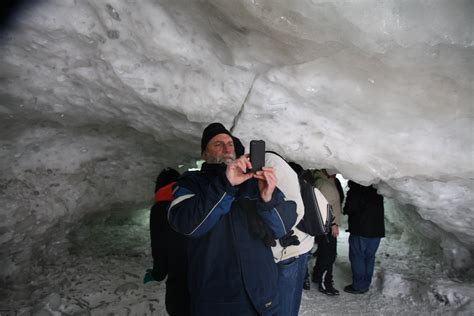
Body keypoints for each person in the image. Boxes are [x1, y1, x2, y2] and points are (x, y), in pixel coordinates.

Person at [168, 123, 298, 316]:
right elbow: (188, 224)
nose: (228, 148)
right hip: (219, 303)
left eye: (230, 143)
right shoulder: (191, 183)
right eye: (218, 144)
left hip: (265, 298)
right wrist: (225, 185)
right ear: (204, 153)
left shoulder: (253, 182)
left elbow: (282, 227)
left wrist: (267, 199)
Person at [266, 156, 314, 316]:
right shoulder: (303, 184)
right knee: (291, 298)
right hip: (301, 244)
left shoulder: (283, 188)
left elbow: (283, 218)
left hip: (286, 250)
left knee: (283, 301)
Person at [143, 167, 190, 316]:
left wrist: (158, 273)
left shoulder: (160, 208)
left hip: (179, 272)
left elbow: (159, 244)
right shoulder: (192, 198)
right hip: (204, 268)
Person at [343, 180, 385, 294]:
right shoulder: (377, 191)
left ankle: (358, 285)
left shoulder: (355, 191)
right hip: (377, 231)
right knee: (369, 257)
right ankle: (366, 284)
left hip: (360, 230)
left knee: (358, 257)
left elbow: (348, 208)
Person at [307, 169, 342, 295]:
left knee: (324, 252)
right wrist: (333, 224)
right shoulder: (324, 185)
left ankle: (318, 275)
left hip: (325, 226)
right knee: (329, 255)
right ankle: (325, 284)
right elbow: (324, 208)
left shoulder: (327, 181)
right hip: (327, 227)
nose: (337, 174)